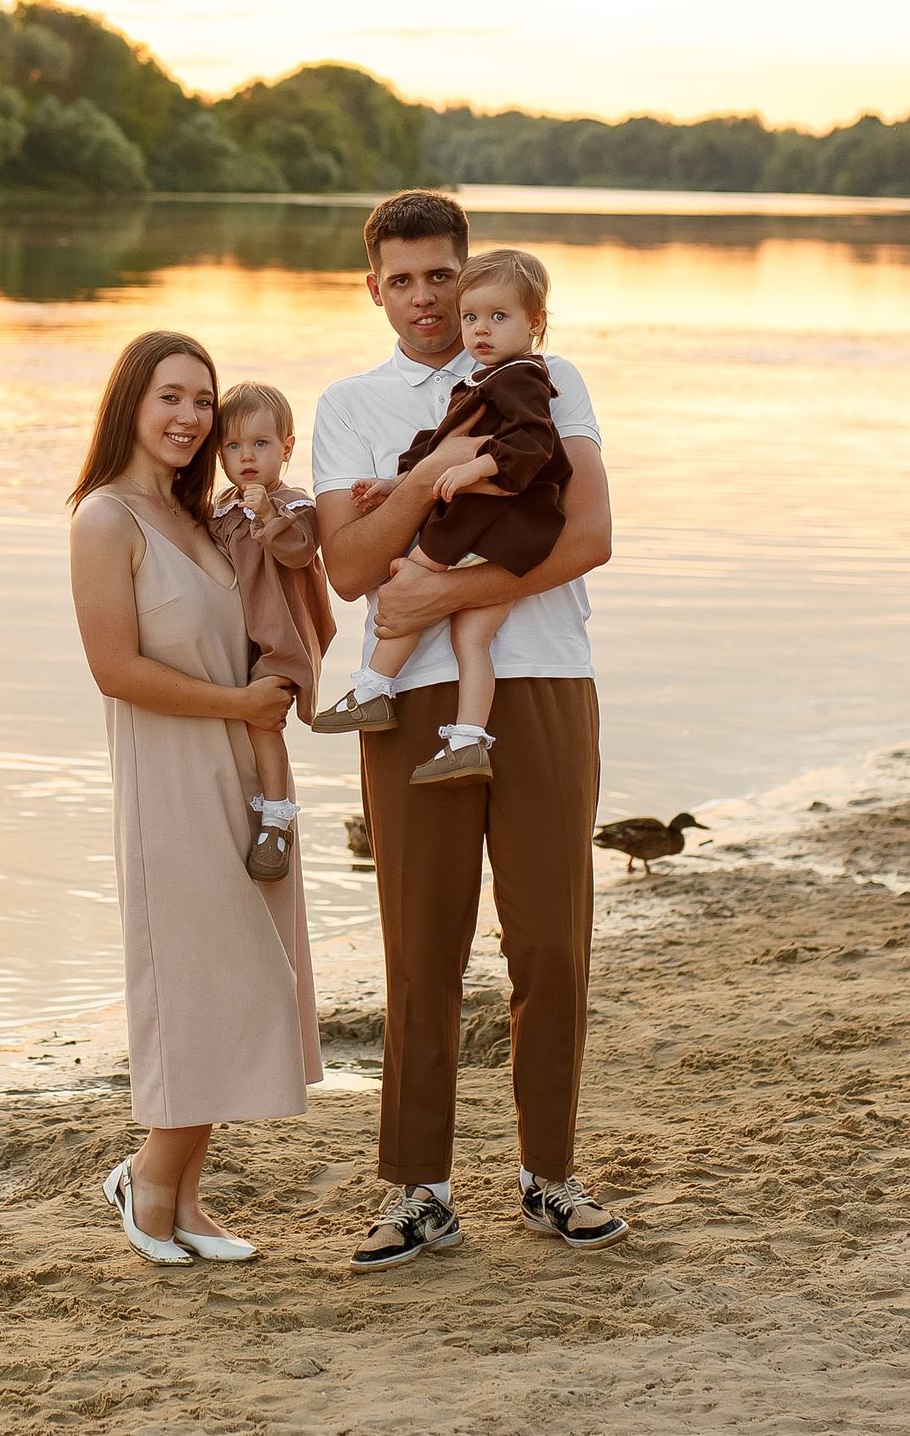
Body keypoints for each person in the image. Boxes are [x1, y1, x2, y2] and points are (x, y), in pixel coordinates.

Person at [309, 192, 629, 1271]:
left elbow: (586, 537)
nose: (424, 300)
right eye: (399, 280)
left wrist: (436, 598)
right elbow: (350, 569)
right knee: (420, 946)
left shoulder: (545, 376)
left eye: (439, 276)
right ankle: (417, 1190)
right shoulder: (350, 404)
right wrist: (420, 480)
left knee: (548, 940)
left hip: (539, 679)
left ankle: (549, 1176)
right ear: (374, 289)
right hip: (409, 705)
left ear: (468, 274)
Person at [68, 331, 324, 1266]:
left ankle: (180, 1195)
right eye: (170, 397)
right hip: (170, 777)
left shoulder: (206, 519)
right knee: (208, 980)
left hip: (248, 774)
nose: (187, 417)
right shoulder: (106, 520)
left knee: (246, 978)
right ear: (132, 401)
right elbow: (113, 668)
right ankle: (147, 1174)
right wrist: (239, 704)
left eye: (203, 403)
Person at [311, 251, 569, 789]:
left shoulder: (524, 376)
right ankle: (467, 738)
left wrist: (476, 464)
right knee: (471, 638)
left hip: (488, 531)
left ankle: (373, 688)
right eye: (475, 317)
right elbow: (431, 449)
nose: (479, 328)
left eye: (496, 317)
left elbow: (534, 443)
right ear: (376, 288)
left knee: (408, 578)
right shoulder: (475, 381)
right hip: (504, 537)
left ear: (534, 322)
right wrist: (399, 484)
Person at [210, 381, 337, 880]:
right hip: (233, 638)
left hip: (280, 636)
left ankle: (277, 817)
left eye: (260, 445)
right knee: (234, 719)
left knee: (263, 719)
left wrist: (267, 514)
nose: (246, 457)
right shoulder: (220, 507)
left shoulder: (296, 506)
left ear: (286, 449)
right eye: (233, 446)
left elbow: (300, 552)